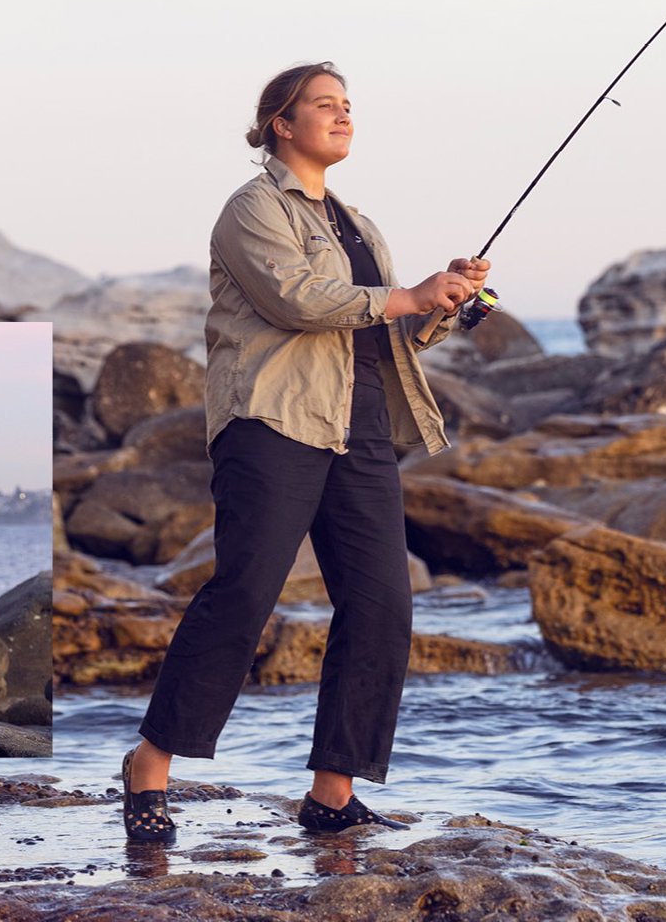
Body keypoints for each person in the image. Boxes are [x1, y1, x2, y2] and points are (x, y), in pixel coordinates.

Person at [120, 62, 490, 840]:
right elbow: (295, 299)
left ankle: (331, 794)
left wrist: (443, 300)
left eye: (348, 105)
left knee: (384, 602)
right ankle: (151, 764)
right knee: (247, 592)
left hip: (360, 426)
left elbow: (386, 328)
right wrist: (408, 294)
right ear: (281, 124)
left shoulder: (357, 224)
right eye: (324, 105)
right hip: (273, 422)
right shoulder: (253, 208)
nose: (342, 115)